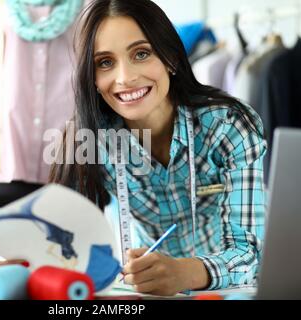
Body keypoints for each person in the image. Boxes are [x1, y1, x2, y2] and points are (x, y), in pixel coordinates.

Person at [49, 0, 267, 296]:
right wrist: (31, 265)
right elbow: (62, 241)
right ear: (93, 79)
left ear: (170, 58)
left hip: (234, 287)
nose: (125, 78)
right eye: (105, 62)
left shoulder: (228, 126)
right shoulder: (89, 139)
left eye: (141, 54)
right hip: (149, 291)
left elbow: (250, 254)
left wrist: (185, 272)